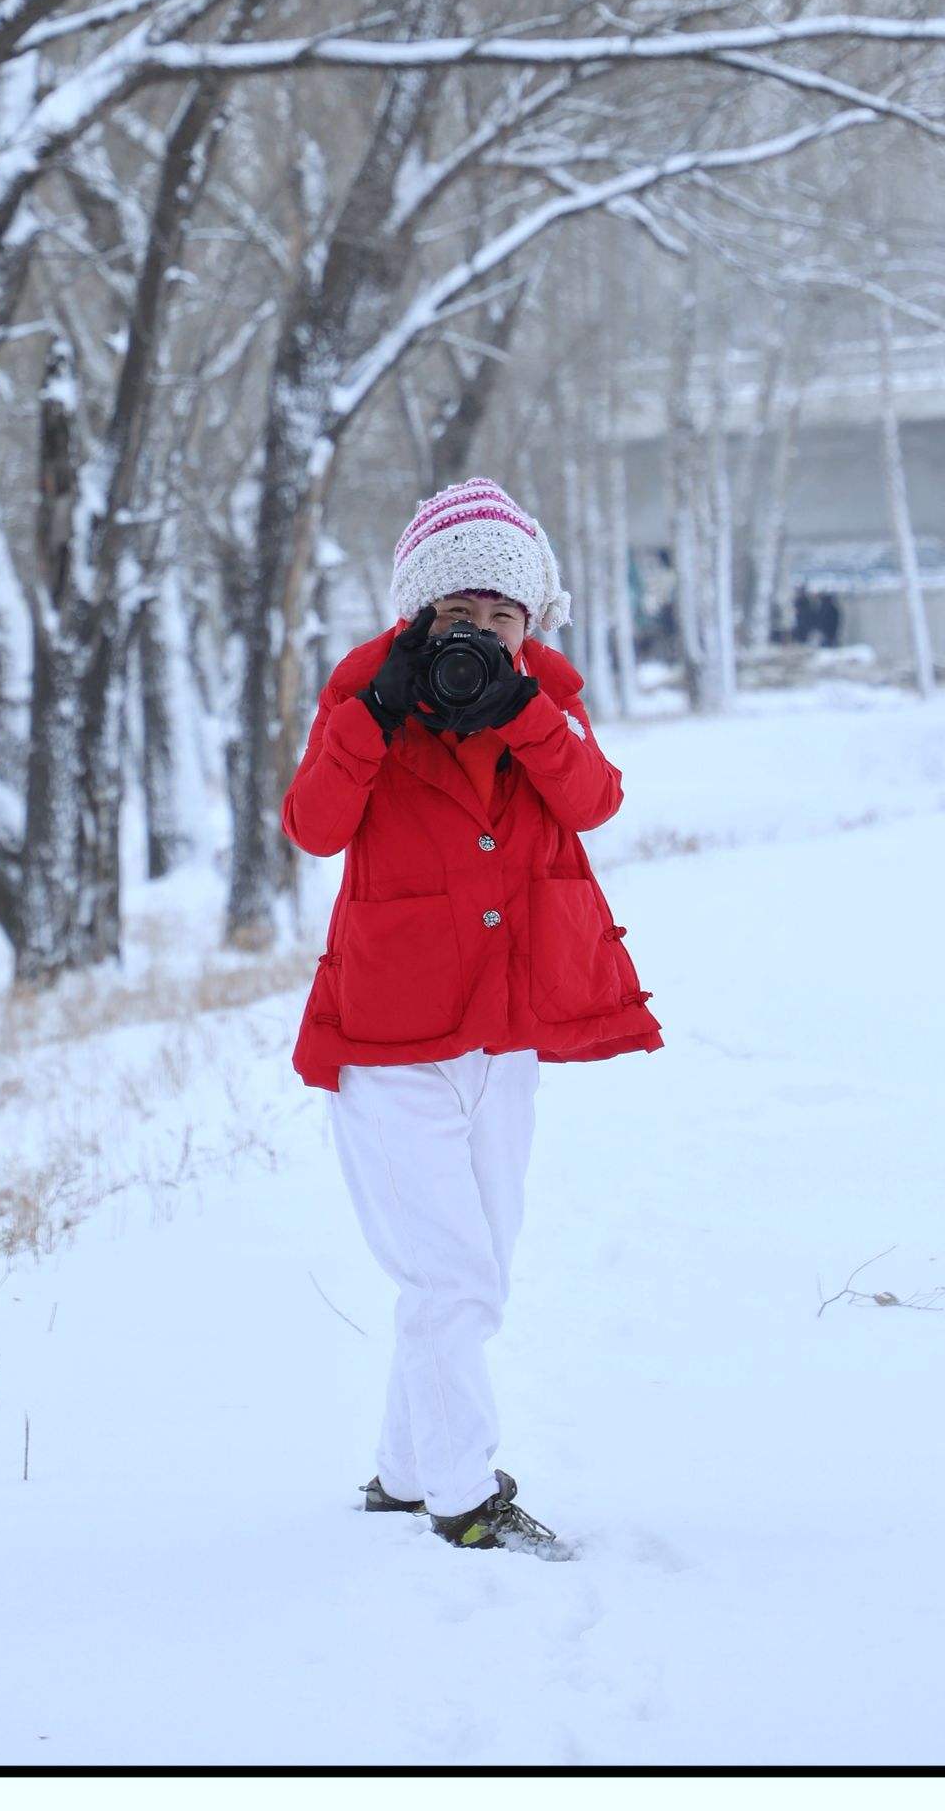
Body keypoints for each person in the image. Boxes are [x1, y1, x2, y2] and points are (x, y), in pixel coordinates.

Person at [280, 477, 663, 1557]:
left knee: (470, 1274)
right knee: (451, 1279)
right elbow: (311, 827)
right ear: (418, 618)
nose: (483, 634)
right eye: (460, 616)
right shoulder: (366, 698)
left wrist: (526, 713)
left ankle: (403, 1473)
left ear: (530, 621)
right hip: (389, 1045)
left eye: (504, 615)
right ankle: (463, 1495)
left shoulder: (546, 699)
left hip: (502, 1040)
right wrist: (373, 717)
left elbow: (594, 803)